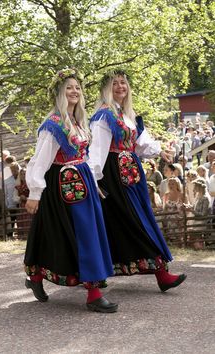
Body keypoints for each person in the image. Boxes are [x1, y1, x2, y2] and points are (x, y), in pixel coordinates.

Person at [24, 68, 117, 313]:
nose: (74, 91)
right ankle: (93, 293)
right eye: (69, 88)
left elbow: (84, 156)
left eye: (77, 87)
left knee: (81, 234)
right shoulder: (53, 125)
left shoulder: (78, 122)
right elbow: (40, 160)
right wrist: (35, 193)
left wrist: (94, 183)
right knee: (72, 235)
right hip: (62, 186)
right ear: (59, 94)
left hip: (82, 183)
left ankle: (37, 278)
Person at [88, 69, 186, 292]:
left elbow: (141, 143)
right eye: (115, 84)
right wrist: (94, 181)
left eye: (123, 83)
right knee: (134, 221)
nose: (121, 87)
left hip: (131, 176)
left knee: (118, 223)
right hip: (113, 177)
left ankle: (97, 274)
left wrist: (160, 150)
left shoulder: (126, 115)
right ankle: (161, 274)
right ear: (106, 89)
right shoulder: (104, 116)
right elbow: (97, 151)